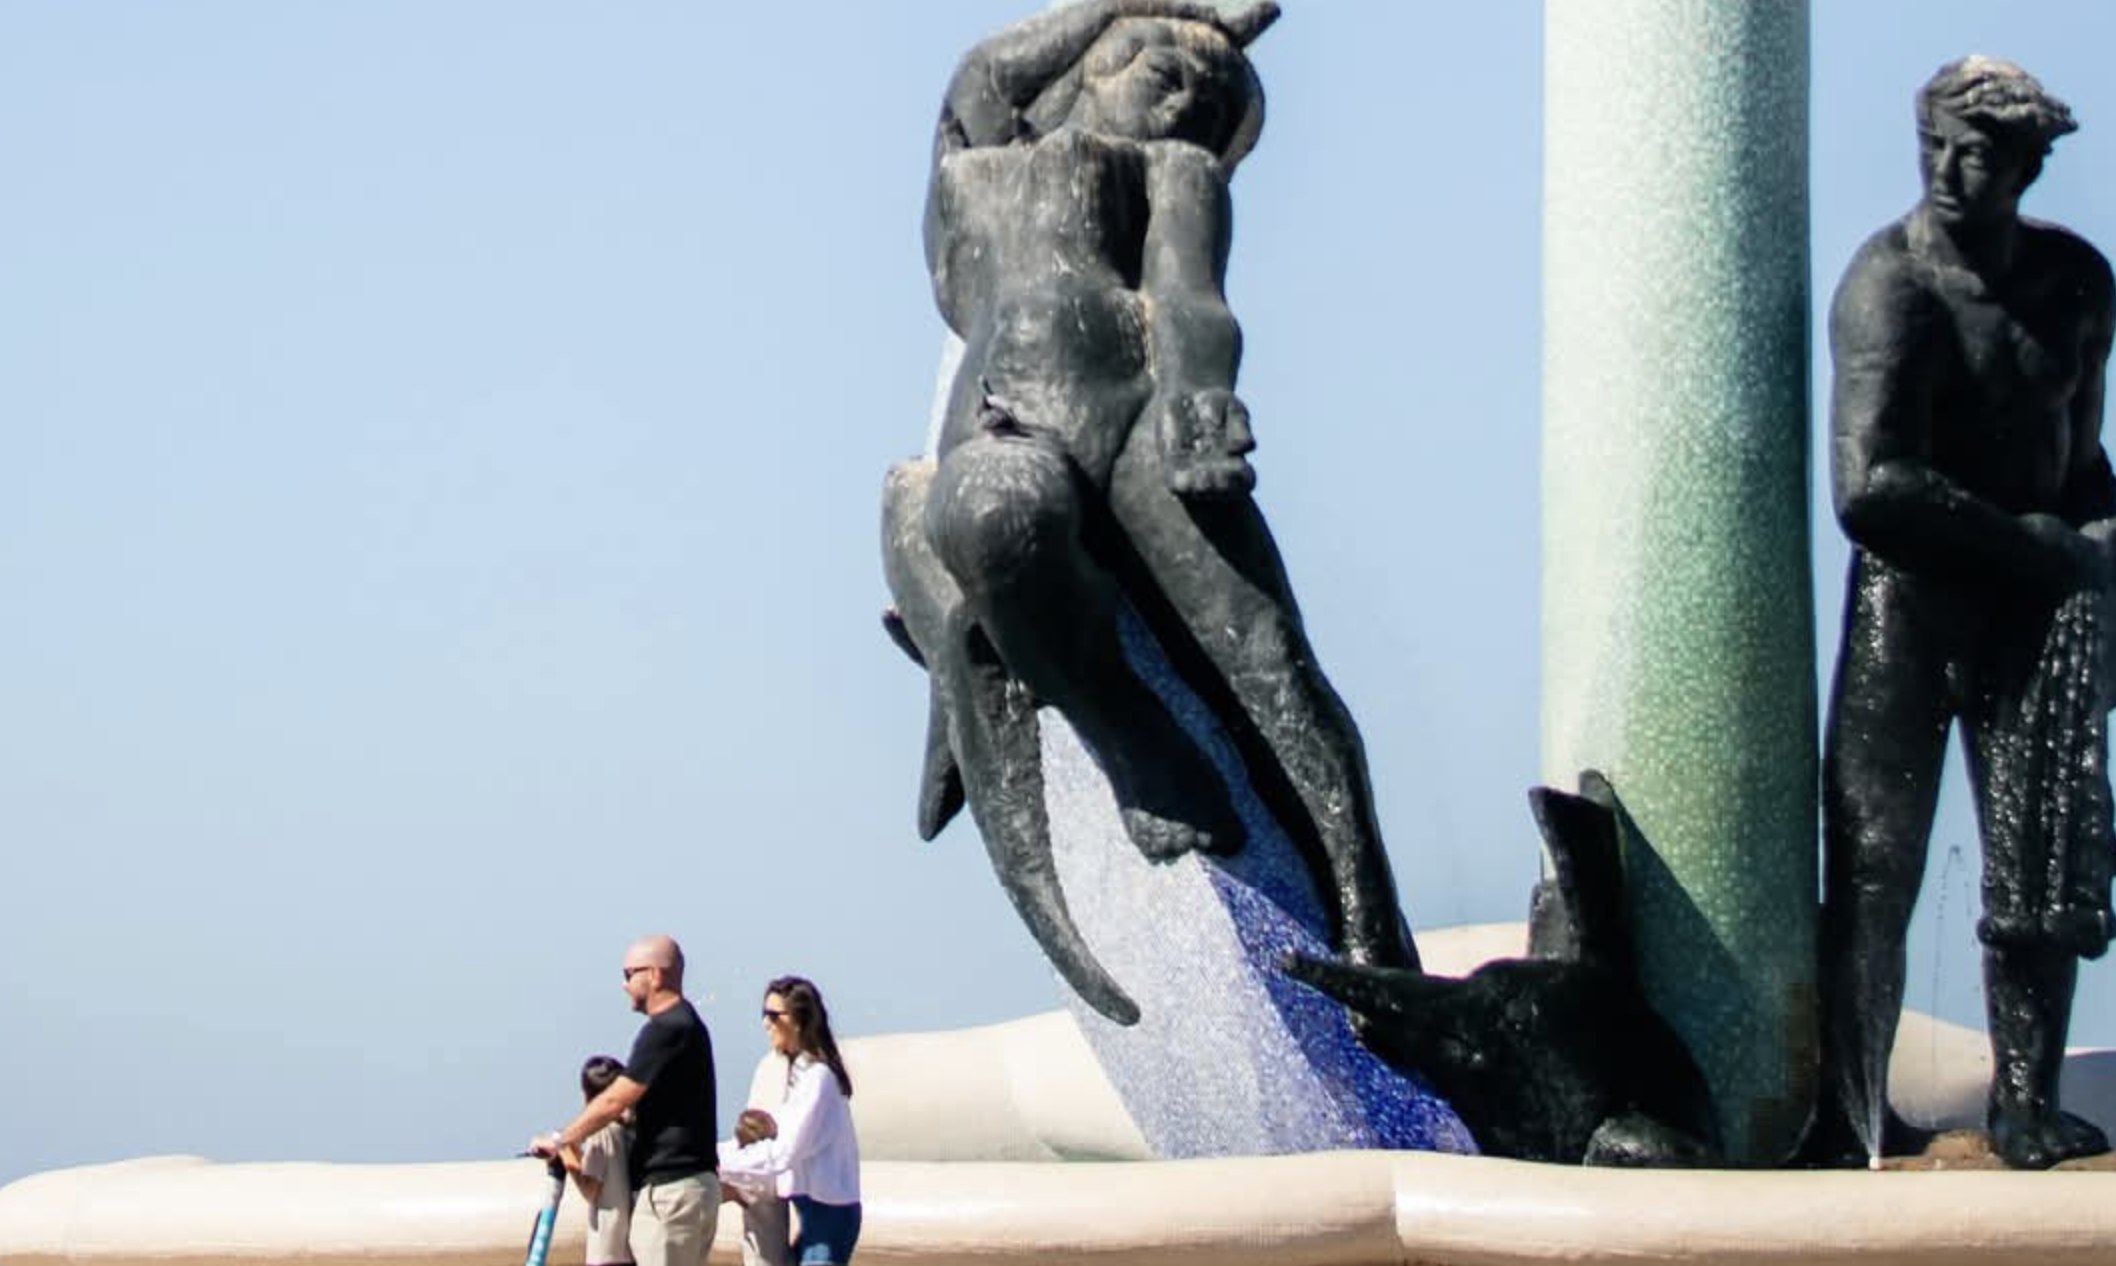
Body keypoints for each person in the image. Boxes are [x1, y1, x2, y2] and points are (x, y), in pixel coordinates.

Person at [880, 0, 1419, 1028]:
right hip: (1011, 414)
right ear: (1082, 64)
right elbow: (978, 76)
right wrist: (1143, 6)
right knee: (991, 516)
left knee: (1274, 663)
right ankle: (1126, 728)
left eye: (1205, 93)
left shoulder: (1178, 173)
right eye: (1146, 60)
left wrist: (1202, 400)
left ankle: (1371, 930)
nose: (1176, 82)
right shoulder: (976, 168)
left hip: (1136, 413)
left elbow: (1193, 300)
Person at [1812, 55, 2116, 1170]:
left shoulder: (2074, 284)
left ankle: (2025, 1103)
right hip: (1912, 597)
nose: (1948, 169)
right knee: (1874, 866)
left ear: (2029, 165)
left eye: (1977, 151)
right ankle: (1849, 1114)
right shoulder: (1888, 285)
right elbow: (1869, 486)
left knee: (2040, 856)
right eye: (1934, 142)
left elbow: (2078, 458)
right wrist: (2034, 547)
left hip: (2033, 611)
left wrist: (2097, 540)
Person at [533, 935, 720, 1264]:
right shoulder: (686, 1024)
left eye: (628, 974)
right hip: (689, 1189)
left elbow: (615, 1100)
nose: (623, 985)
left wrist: (562, 1140)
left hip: (670, 1193)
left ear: (655, 974)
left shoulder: (666, 1028)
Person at [718, 977, 861, 1266]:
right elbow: (766, 1140)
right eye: (763, 1014)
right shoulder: (791, 1071)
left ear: (797, 1020)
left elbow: (785, 1151)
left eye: (773, 1015)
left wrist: (716, 1161)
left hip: (830, 1216)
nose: (765, 1024)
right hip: (813, 1212)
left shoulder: (817, 1078)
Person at [560, 1055, 634, 1266]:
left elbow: (591, 1189)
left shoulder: (600, 1132)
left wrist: (568, 1157)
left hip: (608, 1247)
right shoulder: (628, 1131)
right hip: (631, 1245)